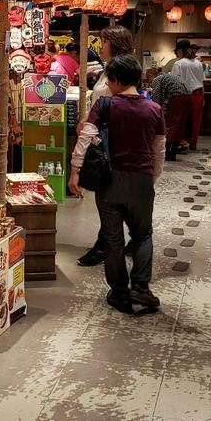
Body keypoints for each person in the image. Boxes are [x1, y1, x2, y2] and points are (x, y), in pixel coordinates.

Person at [68, 54, 165, 314]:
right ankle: (141, 288)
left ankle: (120, 294)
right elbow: (159, 150)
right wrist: (152, 177)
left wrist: (75, 171)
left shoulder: (105, 105)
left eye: (109, 80)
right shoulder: (154, 109)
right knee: (143, 234)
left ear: (115, 80)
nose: (108, 85)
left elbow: (86, 138)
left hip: (110, 181)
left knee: (113, 239)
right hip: (142, 181)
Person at [77, 24, 135, 267]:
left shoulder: (118, 70)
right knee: (116, 193)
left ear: (114, 44)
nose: (100, 48)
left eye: (103, 43)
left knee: (108, 193)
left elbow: (119, 102)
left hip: (110, 136)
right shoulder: (108, 68)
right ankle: (134, 237)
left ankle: (104, 245)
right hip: (102, 132)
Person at [150, 70, 191, 161]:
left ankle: (169, 153)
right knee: (179, 125)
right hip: (188, 95)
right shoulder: (168, 77)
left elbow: (155, 99)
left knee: (170, 125)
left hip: (178, 97)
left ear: (152, 75)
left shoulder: (157, 79)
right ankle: (172, 151)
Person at [173, 40, 205, 150]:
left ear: (180, 51)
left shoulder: (179, 63)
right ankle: (193, 143)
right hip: (199, 93)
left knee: (181, 119)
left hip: (184, 93)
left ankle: (181, 142)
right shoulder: (198, 63)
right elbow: (202, 80)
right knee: (196, 120)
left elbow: (174, 81)